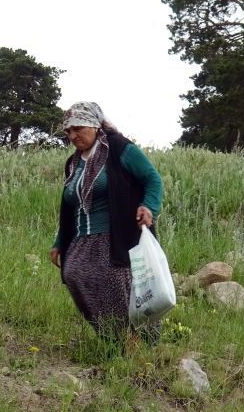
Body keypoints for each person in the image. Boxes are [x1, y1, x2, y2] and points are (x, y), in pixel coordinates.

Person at [50, 101, 163, 348]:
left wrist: (149, 207)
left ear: (94, 124)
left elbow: (152, 179)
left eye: (78, 128)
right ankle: (112, 338)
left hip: (115, 236)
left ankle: (136, 344)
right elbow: (71, 204)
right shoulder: (73, 163)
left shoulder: (119, 148)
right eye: (68, 131)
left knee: (117, 288)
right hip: (82, 238)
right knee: (74, 275)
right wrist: (60, 241)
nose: (72, 135)